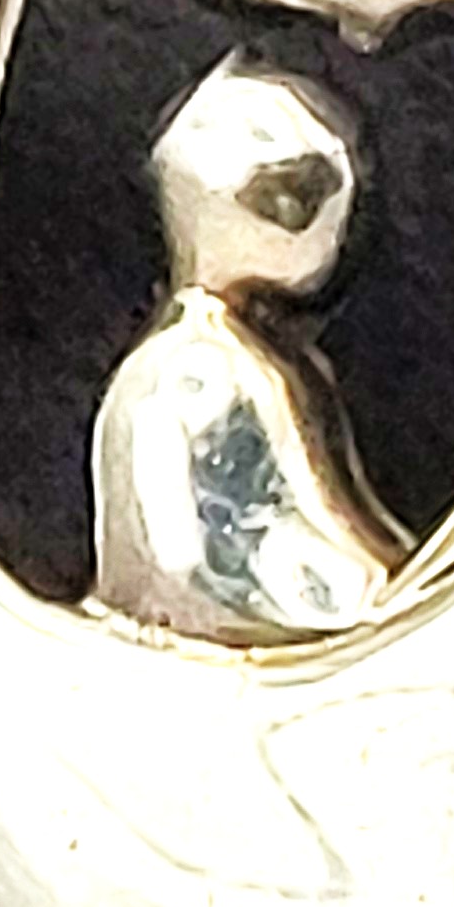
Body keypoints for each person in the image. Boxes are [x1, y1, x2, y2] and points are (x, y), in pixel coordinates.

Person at [90, 55, 409, 642]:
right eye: (302, 193)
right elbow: (202, 557)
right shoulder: (196, 368)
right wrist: (370, 602)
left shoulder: (220, 354)